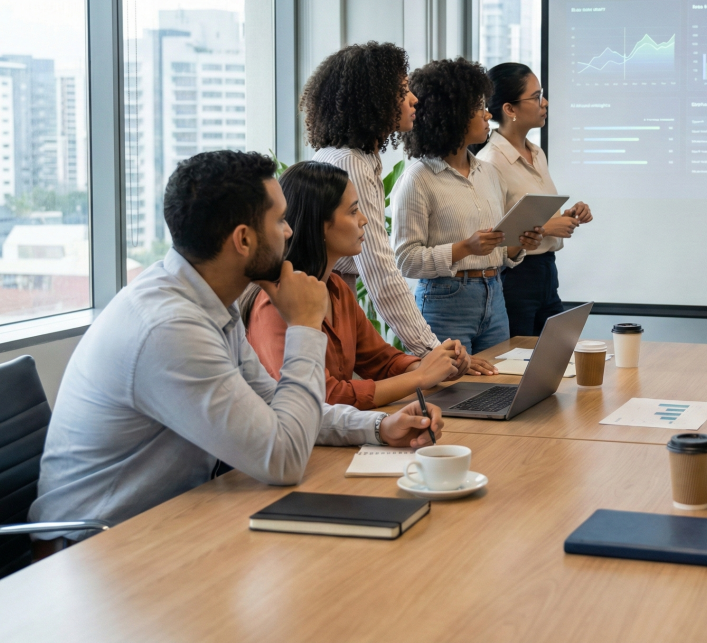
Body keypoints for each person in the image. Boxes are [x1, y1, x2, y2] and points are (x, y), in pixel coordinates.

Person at [29, 151, 443, 548]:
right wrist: (304, 325)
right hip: (95, 546)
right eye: (279, 220)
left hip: (172, 519)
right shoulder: (170, 328)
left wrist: (377, 429)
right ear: (243, 239)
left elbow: (273, 407)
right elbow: (283, 458)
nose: (289, 232)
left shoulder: (210, 303)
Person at [304, 41, 486, 376]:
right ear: (372, 99)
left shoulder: (351, 157)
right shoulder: (351, 163)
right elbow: (381, 272)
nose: (413, 98)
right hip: (321, 309)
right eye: (402, 91)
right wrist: (432, 351)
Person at [245, 161, 461, 408]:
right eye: (352, 211)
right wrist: (421, 376)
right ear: (319, 225)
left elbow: (382, 361)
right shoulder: (273, 303)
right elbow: (325, 398)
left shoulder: (336, 288)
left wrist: (437, 365)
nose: (364, 220)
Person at [393, 58, 544, 353]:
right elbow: (406, 259)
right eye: (478, 107)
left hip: (494, 295)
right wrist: (465, 247)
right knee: (449, 394)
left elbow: (497, 250)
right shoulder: (418, 179)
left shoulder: (488, 173)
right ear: (452, 114)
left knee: (499, 390)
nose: (488, 113)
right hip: (445, 301)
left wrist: (516, 244)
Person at [476, 63, 593, 335]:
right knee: (518, 367)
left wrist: (569, 215)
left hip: (546, 273)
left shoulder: (537, 153)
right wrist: (549, 228)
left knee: (554, 356)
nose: (545, 103)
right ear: (509, 109)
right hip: (515, 278)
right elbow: (491, 235)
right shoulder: (490, 161)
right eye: (536, 96)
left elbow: (535, 211)